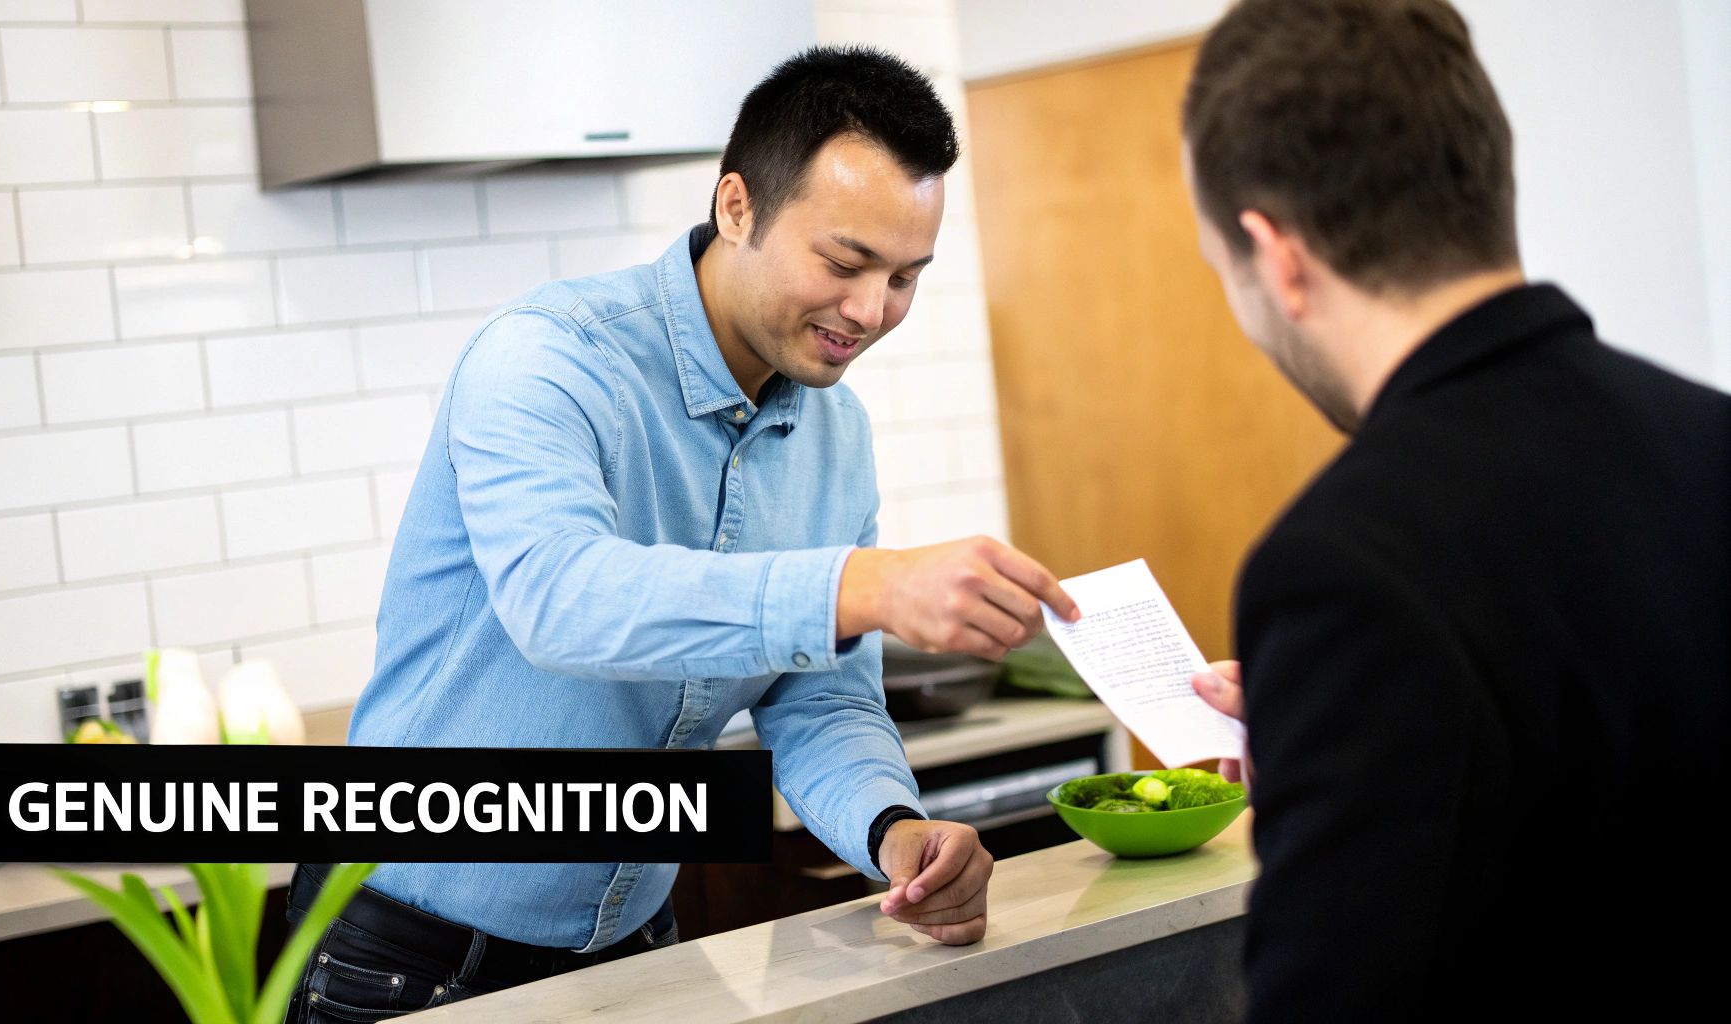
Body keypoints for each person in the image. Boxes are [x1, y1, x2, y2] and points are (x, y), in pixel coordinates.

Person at [284, 45, 1080, 1021]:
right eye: (844, 262)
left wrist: (892, 829)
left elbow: (821, 698)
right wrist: (858, 586)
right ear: (736, 206)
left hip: (636, 946)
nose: (872, 310)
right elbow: (562, 599)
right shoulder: (545, 358)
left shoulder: (836, 434)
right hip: (406, 957)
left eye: (905, 276)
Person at [1176, 0, 1730, 1017]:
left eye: (1225, 273)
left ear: (1275, 253)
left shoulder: (1341, 563)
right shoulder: (1711, 436)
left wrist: (1311, 809)